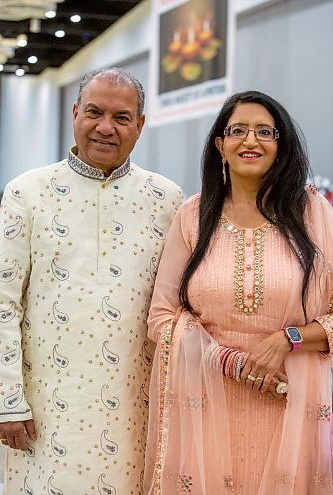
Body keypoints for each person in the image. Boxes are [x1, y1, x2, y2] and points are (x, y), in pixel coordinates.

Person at [0, 67, 183, 494]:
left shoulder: (167, 199)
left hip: (134, 410)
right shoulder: (27, 192)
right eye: (95, 112)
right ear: (75, 112)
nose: (105, 127)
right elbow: (3, 301)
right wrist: (7, 400)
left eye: (121, 118)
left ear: (140, 125)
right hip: (41, 410)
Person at [144, 91, 333, 494]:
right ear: (220, 145)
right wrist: (227, 361)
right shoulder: (194, 216)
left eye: (265, 131)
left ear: (281, 145)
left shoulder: (314, 215)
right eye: (238, 131)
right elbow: (161, 318)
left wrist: (289, 339)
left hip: (289, 406)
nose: (251, 140)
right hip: (204, 410)